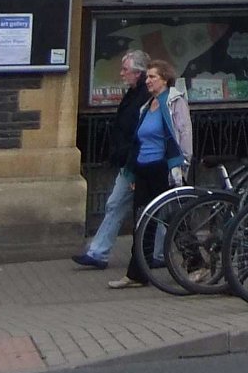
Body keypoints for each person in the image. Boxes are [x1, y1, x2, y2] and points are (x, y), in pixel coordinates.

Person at [109, 58, 193, 288]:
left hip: (164, 168)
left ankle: (196, 264)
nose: (148, 81)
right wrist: (133, 173)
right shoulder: (147, 106)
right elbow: (139, 140)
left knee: (174, 217)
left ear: (164, 79)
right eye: (147, 77)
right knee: (142, 222)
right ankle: (137, 274)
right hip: (144, 169)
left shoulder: (174, 101)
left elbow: (184, 133)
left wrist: (183, 163)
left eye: (152, 77)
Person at [73, 50, 149, 268]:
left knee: (135, 207)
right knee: (128, 206)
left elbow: (140, 134)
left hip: (138, 162)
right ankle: (99, 253)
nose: (122, 73)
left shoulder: (144, 97)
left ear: (138, 73)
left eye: (125, 70)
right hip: (129, 161)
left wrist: (131, 164)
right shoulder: (133, 94)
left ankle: (99, 253)